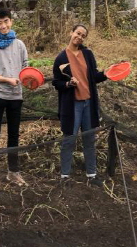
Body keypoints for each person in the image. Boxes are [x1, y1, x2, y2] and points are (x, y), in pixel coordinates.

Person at [52, 24, 107, 186]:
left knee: (89, 139)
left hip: (88, 103)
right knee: (69, 139)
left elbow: (94, 76)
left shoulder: (88, 54)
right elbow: (56, 82)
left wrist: (107, 73)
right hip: (72, 105)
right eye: (78, 33)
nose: (80, 37)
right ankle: (65, 177)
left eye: (83, 35)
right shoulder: (61, 58)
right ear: (71, 33)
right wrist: (68, 84)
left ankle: (92, 174)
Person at [0, 8, 29, 186]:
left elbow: (25, 68)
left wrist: (29, 80)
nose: (3, 26)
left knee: (13, 135)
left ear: (11, 22)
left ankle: (13, 172)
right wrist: (7, 80)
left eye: (6, 21)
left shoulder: (20, 45)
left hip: (16, 96)